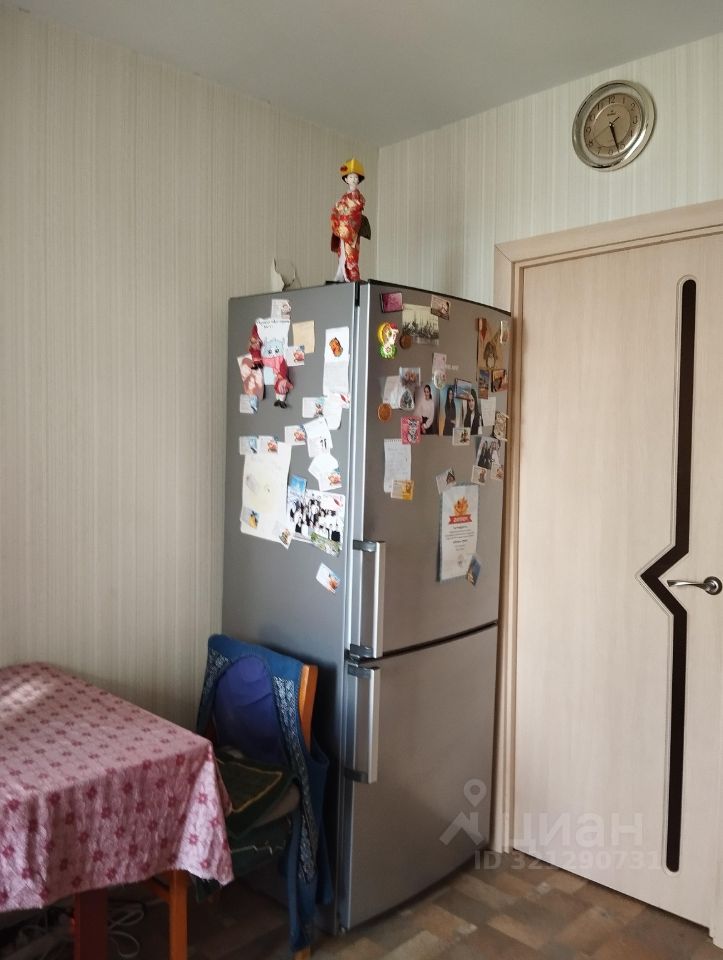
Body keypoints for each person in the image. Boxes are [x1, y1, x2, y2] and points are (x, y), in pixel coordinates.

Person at [330, 158, 370, 282]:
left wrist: (342, 208)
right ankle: (343, 275)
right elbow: (337, 209)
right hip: (343, 228)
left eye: (355, 177)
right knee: (342, 254)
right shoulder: (343, 197)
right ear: (346, 179)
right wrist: (339, 209)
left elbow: (354, 209)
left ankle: (353, 277)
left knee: (351, 255)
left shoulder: (358, 197)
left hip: (351, 230)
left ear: (358, 180)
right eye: (350, 177)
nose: (353, 179)